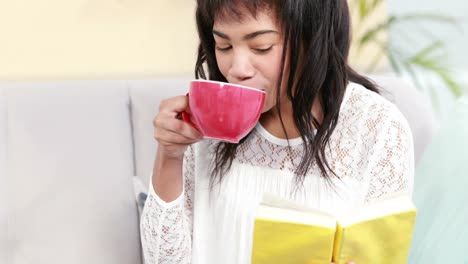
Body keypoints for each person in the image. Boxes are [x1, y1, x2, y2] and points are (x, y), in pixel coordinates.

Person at [140, 0, 414, 263]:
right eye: (224, 46)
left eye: (261, 47)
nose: (237, 69)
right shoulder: (207, 122)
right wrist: (170, 155)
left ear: (312, 36)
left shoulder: (376, 127)